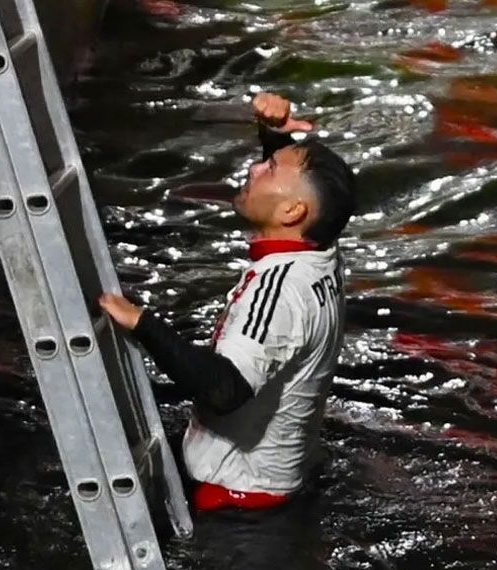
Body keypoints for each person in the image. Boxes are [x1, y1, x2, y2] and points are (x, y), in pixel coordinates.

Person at [98, 92, 356, 513]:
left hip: (237, 500)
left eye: (268, 168)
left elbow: (224, 389)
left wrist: (143, 324)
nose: (254, 168)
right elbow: (310, 201)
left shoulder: (280, 290)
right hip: (280, 483)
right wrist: (275, 138)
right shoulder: (320, 252)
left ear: (292, 211)